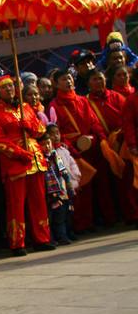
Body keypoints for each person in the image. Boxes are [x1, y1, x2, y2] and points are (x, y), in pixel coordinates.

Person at [0, 76, 54, 256]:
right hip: (15, 163)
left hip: (35, 159)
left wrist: (29, 125)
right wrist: (18, 153)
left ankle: (42, 239)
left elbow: (41, 130)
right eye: (5, 87)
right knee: (16, 204)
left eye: (11, 86)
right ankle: (18, 242)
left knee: (39, 201)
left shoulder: (25, 107)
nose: (9, 90)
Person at [50, 67, 110, 232]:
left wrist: (101, 138)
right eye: (63, 79)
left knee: (102, 184)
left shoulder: (82, 100)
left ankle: (107, 218)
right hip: (72, 152)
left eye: (69, 78)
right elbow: (57, 133)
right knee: (80, 189)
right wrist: (73, 149)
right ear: (56, 84)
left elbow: (94, 122)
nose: (68, 81)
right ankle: (82, 224)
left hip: (91, 146)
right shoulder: (55, 105)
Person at [86, 68, 138, 225]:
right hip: (102, 145)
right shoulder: (86, 101)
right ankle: (121, 216)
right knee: (111, 184)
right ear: (88, 83)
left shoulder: (117, 97)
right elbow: (92, 123)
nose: (99, 82)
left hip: (120, 141)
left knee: (126, 180)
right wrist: (106, 140)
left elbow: (125, 121)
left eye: (100, 79)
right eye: (95, 79)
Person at [42, 127, 76, 246]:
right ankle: (51, 238)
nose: (47, 146)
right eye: (44, 144)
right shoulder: (40, 158)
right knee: (50, 217)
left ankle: (63, 236)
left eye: (48, 144)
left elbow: (63, 170)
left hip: (59, 190)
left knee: (61, 214)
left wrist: (68, 183)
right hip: (47, 192)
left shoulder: (55, 155)